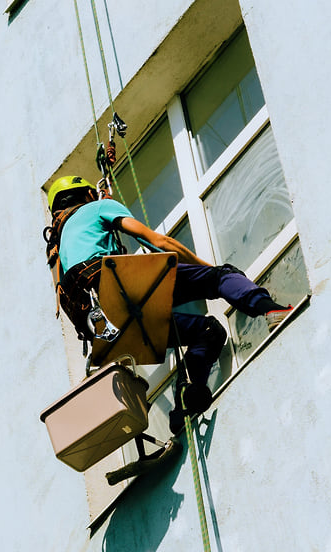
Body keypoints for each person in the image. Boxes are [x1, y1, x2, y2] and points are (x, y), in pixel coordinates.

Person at [45, 175, 291, 419]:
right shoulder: (97, 207)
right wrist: (209, 271)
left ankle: (185, 401)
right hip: (117, 288)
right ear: (88, 194)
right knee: (221, 277)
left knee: (208, 332)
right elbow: (158, 241)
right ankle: (269, 309)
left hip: (107, 326)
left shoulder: (60, 245)